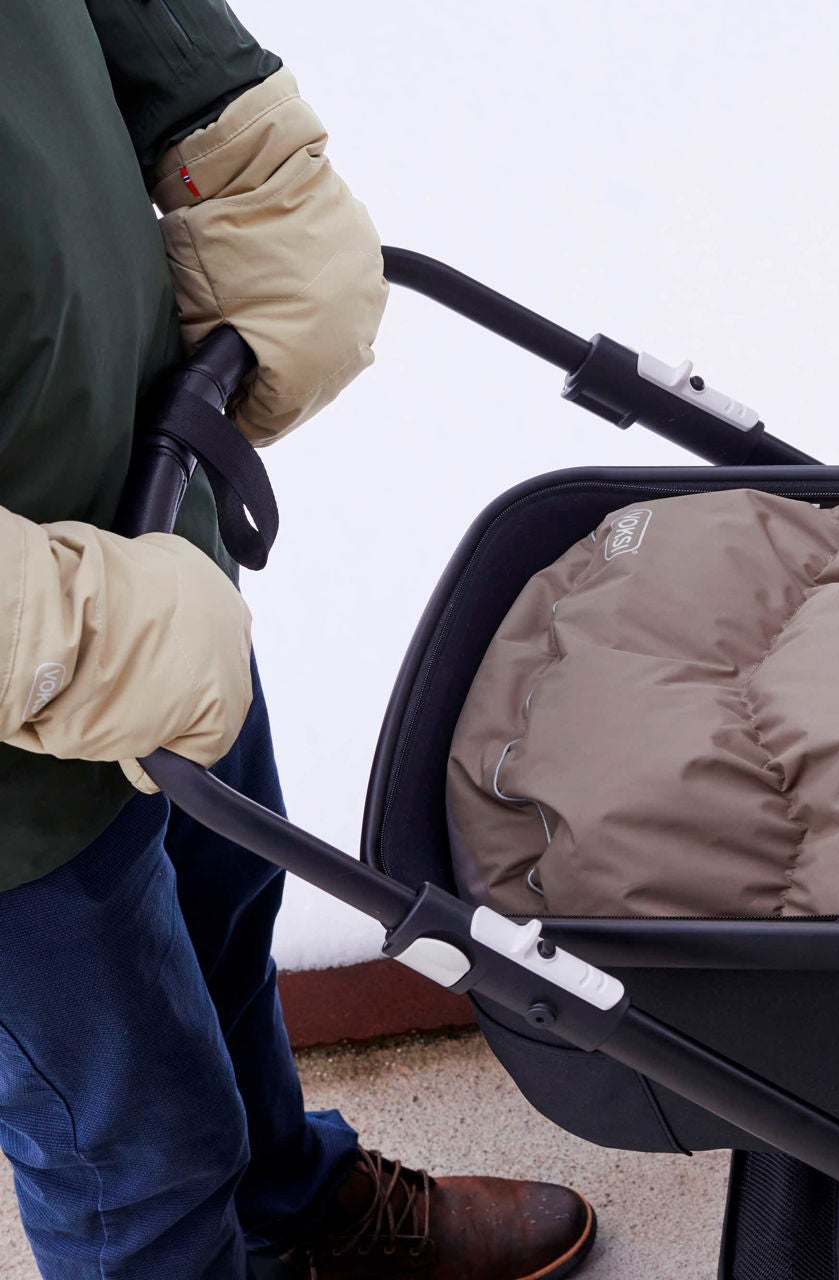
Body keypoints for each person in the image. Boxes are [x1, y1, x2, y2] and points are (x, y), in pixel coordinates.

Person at [0, 4, 596, 1276]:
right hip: (14, 752)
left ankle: (290, 1206)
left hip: (147, 535)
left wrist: (232, 147)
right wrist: (51, 628)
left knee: (224, 920)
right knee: (126, 1141)